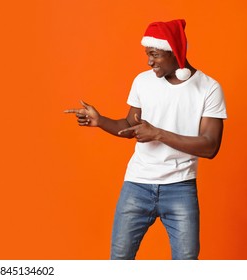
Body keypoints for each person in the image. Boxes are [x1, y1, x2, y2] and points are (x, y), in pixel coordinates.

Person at [65, 19, 227, 259]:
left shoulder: (209, 88)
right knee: (119, 261)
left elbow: (210, 145)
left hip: (180, 188)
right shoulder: (143, 81)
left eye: (155, 54)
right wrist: (100, 121)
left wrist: (158, 133)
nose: (149, 61)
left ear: (176, 52)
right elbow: (130, 125)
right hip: (137, 185)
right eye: (147, 54)